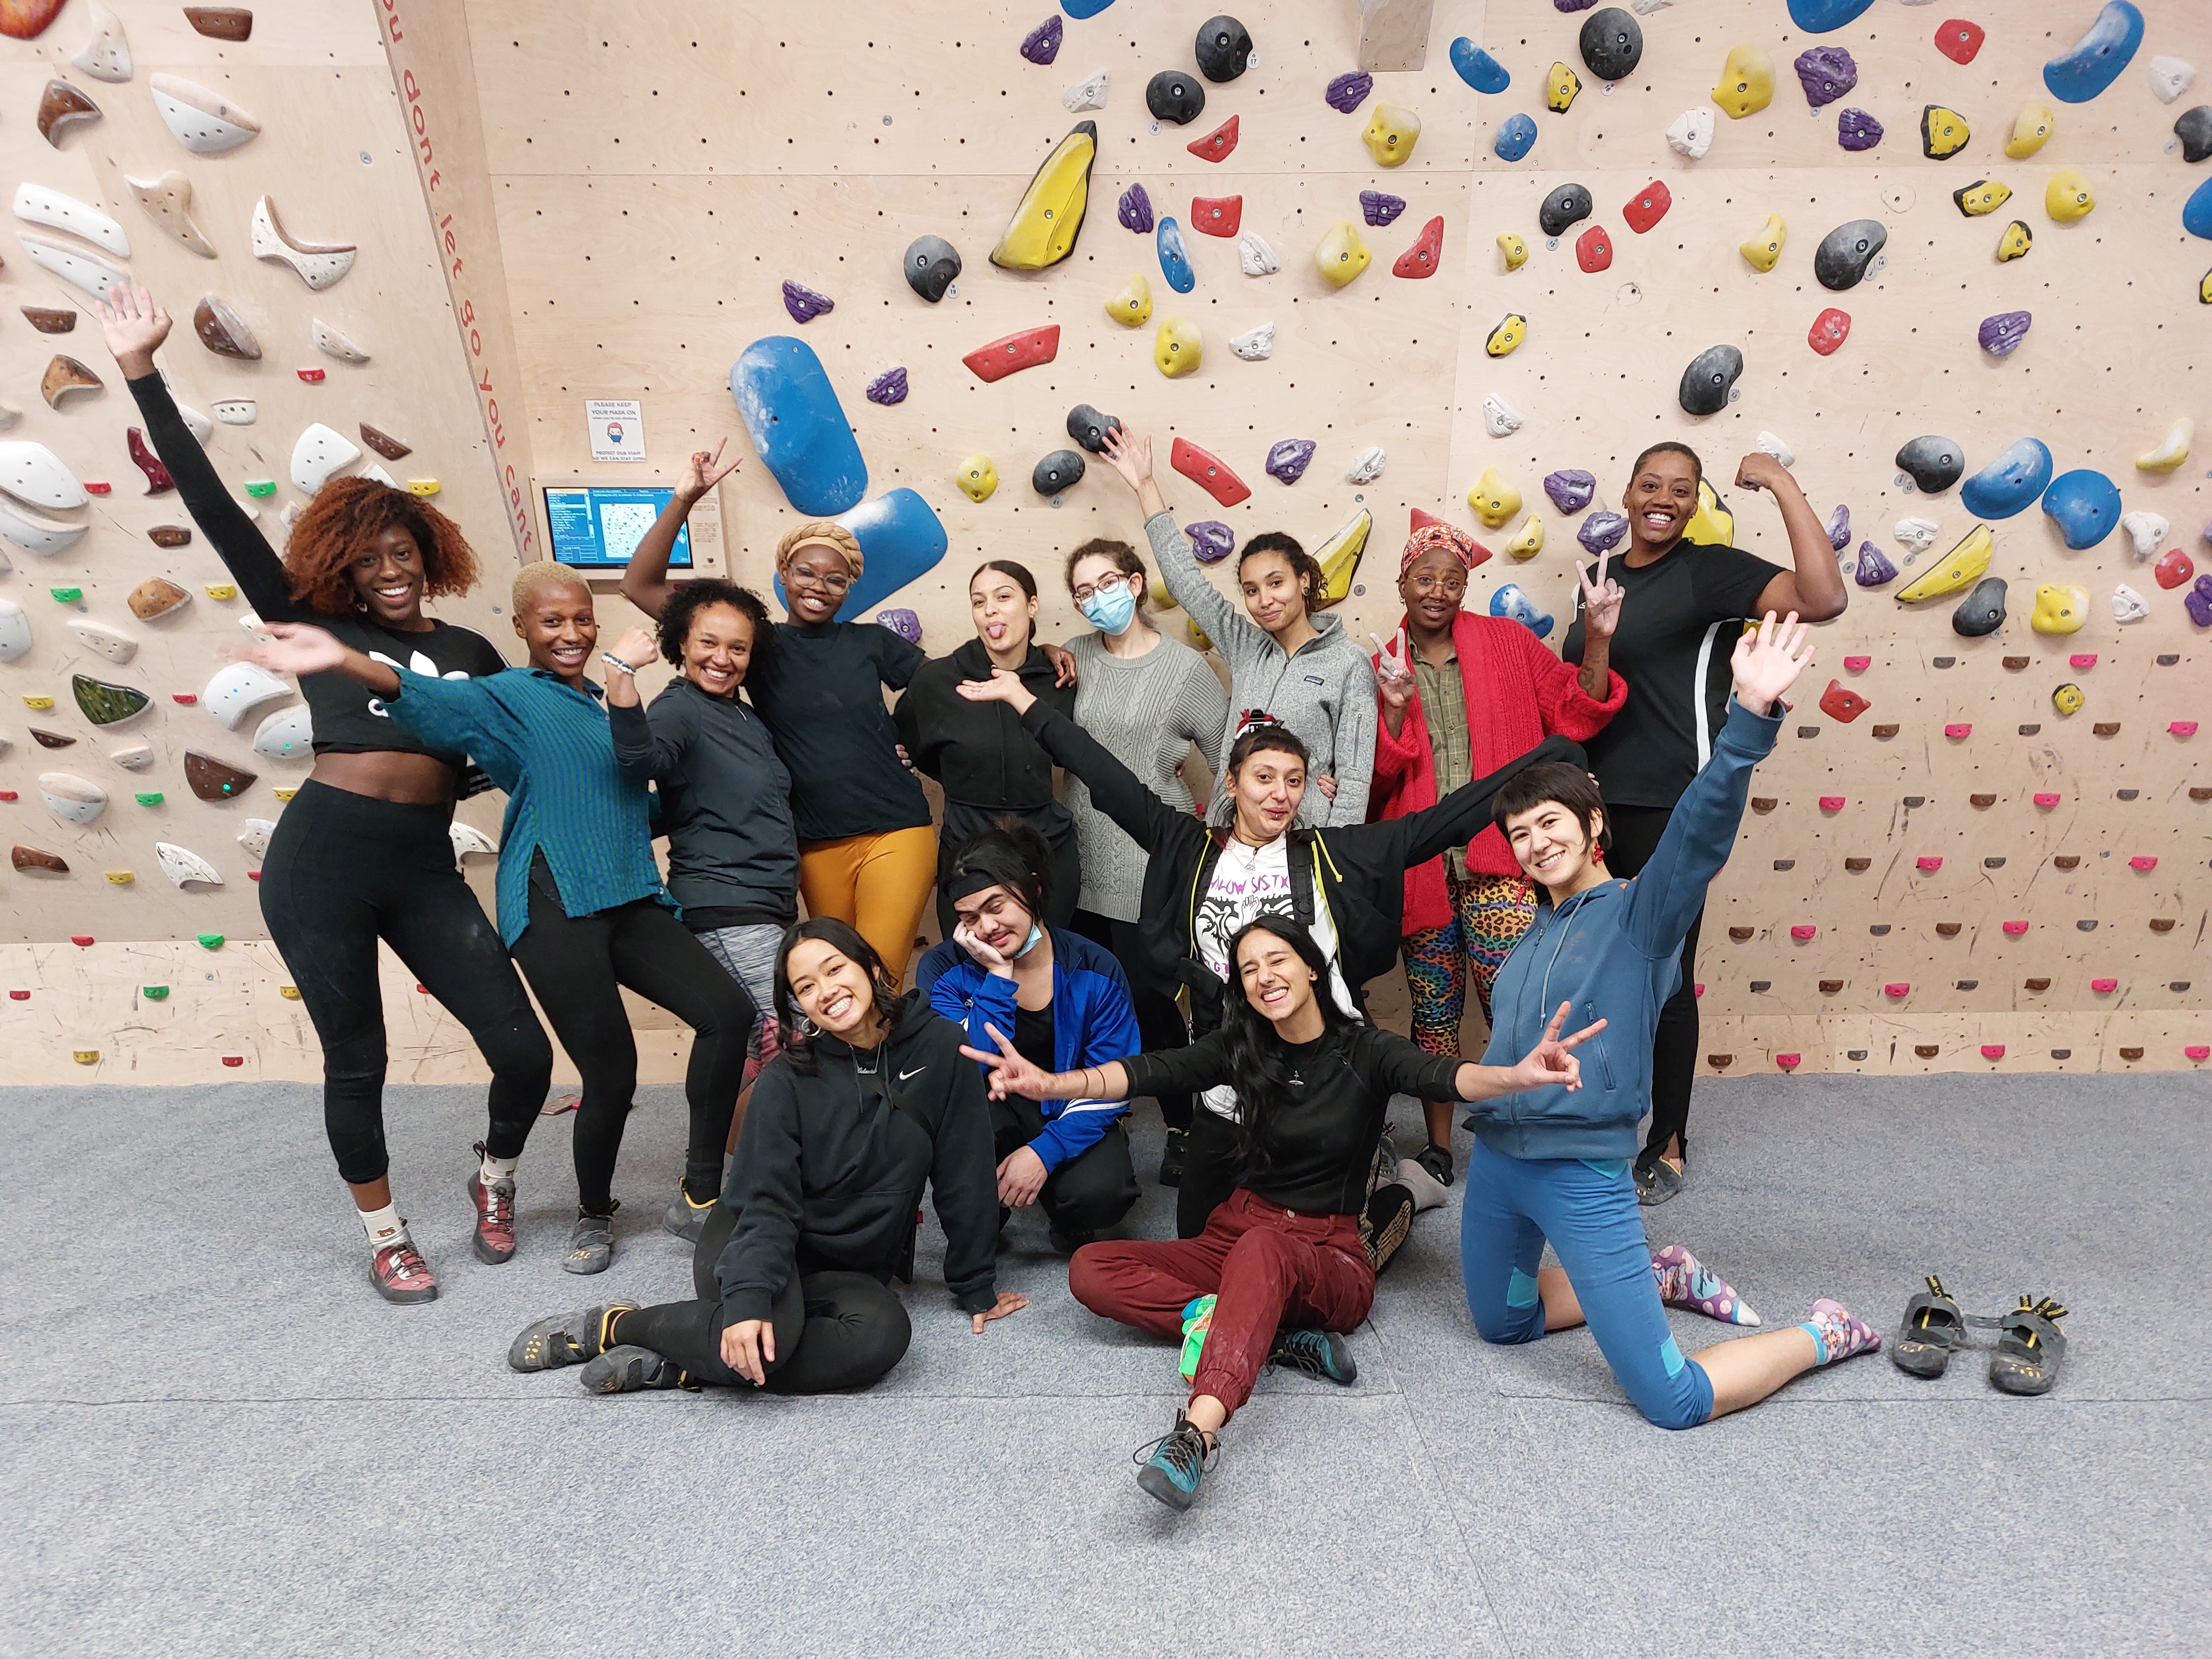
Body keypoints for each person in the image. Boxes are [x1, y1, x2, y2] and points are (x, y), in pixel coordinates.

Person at [96, 282, 553, 1304]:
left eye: (403, 554)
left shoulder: (472, 649)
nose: (389, 571)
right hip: (325, 859)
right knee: (359, 1055)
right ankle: (386, 1233)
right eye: (368, 559)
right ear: (339, 570)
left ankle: (495, 1178)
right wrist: (142, 374)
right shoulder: (321, 628)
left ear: (427, 558)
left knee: (522, 1051)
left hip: (424, 865)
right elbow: (215, 510)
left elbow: (496, 747)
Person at [961, 917, 1602, 1511]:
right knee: (1093, 1270)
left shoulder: (1366, 1051)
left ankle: (1197, 1434)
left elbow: (1445, 1077)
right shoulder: (1245, 1047)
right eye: (1248, 968)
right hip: (1239, 1231)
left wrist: (1515, 1077)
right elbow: (1152, 1072)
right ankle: (1275, 1335)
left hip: (1330, 1256)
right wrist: (1052, 1085)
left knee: (1262, 1252)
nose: (1264, 976)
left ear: (1314, 968)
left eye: (1278, 960)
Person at [241, 567, 757, 1278]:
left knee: (728, 1014)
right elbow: (424, 696)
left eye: (581, 619)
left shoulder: (607, 702)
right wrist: (339, 657)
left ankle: (699, 1196)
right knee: (614, 1073)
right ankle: (596, 1214)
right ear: (522, 630)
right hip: (552, 900)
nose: (571, 633)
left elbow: (624, 799)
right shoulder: (508, 695)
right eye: (552, 622)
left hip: (629, 895)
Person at [954, 667, 1586, 1246]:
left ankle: (1401, 1193)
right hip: (1228, 1079)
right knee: (1202, 1246)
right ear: (1232, 783)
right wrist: (1021, 699)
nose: (1280, 795)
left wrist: (1553, 758)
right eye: (1264, 779)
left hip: (1326, 1083)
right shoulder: (1189, 848)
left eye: (1294, 781)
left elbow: (1448, 819)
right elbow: (1103, 772)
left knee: (1331, 1250)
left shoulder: (1335, 853)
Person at [1464, 614, 1881, 1434]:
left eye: (1550, 822)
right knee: (1500, 1320)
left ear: (1592, 826)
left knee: (1672, 1400)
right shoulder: (1530, 933)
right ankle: (1663, 1275)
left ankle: (1818, 1333)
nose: (1534, 841)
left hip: (1579, 1170)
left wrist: (1747, 720)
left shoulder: (1636, 917)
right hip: (1498, 1165)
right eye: (1519, 833)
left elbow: (1696, 832)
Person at [504, 920, 1027, 1396]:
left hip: (845, 1265)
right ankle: (617, 1326)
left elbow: (964, 1171)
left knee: (881, 1338)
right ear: (798, 1005)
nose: (827, 991)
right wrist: (751, 1297)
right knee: (770, 1327)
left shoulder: (940, 1048)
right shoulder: (786, 1081)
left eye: (834, 969)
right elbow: (766, 1202)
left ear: (870, 966)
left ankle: (685, 1363)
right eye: (806, 988)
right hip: (747, 1240)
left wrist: (975, 1284)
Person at [1560, 442, 1847, 1205]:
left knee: (1664, 972)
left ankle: (1670, 1138)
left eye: (1681, 489)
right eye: (1651, 484)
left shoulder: (1707, 570)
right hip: (1593, 808)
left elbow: (1824, 599)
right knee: (1593, 968)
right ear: (1626, 494)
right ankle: (1594, 1118)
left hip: (1671, 804)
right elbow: (1583, 698)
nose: (1664, 498)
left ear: (1694, 503)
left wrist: (1782, 481)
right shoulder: (1601, 580)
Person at [1368, 518, 1628, 1189]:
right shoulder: (1375, 663)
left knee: (1518, 1004)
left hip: (1499, 866)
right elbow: (1371, 780)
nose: (1438, 591)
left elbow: (1578, 711)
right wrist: (1392, 710)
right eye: (1424, 578)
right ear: (1402, 582)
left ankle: (1527, 1128)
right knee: (1433, 1011)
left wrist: (1597, 636)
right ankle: (1438, 1146)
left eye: (1453, 580)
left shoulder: (1509, 643)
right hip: (1423, 871)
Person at [621, 478, 937, 987]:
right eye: (806, 572)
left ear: (851, 586)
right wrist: (683, 500)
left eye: (836, 579)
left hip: (896, 830)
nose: (819, 586)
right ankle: (842, 1070)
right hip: (812, 846)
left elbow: (945, 684)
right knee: (832, 983)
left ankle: (878, 1069)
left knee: (876, 979)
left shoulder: (872, 643)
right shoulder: (755, 646)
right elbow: (638, 586)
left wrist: (913, 742)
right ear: (783, 575)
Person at [601, 561, 797, 1239]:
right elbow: (642, 763)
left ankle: (738, 1180)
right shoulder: (680, 706)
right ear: (681, 643)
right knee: (787, 1040)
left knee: (772, 1040)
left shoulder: (740, 718)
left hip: (767, 903)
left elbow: (693, 799)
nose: (723, 658)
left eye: (737, 647)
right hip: (724, 903)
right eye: (709, 642)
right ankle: (709, 1193)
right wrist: (620, 677)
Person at [1099, 426, 1377, 828]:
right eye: (1251, 590)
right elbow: (1185, 584)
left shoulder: (1349, 663)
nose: (1264, 600)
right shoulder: (1246, 645)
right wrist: (1145, 487)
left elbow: (1354, 778)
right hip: (1229, 836)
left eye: (1276, 583)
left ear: (1303, 580)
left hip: (1303, 843)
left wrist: (1335, 856)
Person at [1061, 537, 1228, 1187]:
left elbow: (1229, 758)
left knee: (1152, 999)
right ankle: (1104, 1105)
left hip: (1150, 859)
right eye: (1082, 590)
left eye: (1107, 582)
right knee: (1086, 994)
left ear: (1134, 583)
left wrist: (1210, 847)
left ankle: (1183, 1122)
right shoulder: (1072, 657)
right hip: (1078, 851)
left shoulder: (1185, 670)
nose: (1096, 597)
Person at [913, 825, 1143, 1252]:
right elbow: (963, 1067)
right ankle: (999, 1196)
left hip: (1070, 1101)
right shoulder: (943, 971)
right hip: (987, 1110)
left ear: (1032, 889)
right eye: (969, 918)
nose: (987, 927)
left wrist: (1045, 1152)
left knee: (1099, 1197)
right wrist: (999, 976)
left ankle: (1058, 1185)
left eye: (995, 906)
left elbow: (1117, 1078)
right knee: (974, 1209)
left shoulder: (1096, 967)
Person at [894, 562, 1080, 939]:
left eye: (1003, 597)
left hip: (1047, 849)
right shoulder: (937, 681)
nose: (990, 609)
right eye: (979, 602)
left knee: (1051, 967)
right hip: (967, 847)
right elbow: (910, 742)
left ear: (1032, 606)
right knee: (971, 971)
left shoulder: (1059, 677)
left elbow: (1073, 751)